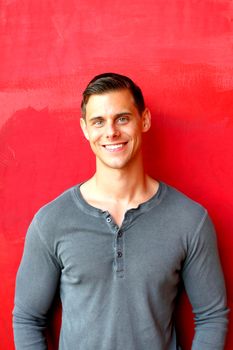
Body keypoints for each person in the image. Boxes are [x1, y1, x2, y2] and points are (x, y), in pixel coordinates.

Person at [13, 73, 229, 350]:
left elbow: (212, 316)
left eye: (122, 118)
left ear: (145, 120)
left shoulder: (190, 220)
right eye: (98, 122)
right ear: (85, 129)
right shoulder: (51, 221)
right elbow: (27, 318)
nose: (111, 132)